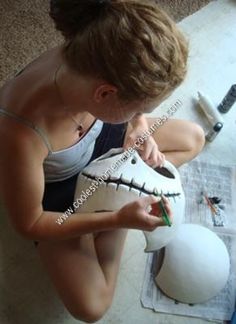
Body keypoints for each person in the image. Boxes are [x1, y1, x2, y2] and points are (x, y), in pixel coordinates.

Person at [0, 0, 205, 322]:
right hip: (62, 189)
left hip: (105, 138)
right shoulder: (20, 133)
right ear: (105, 94)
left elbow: (130, 118)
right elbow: (29, 224)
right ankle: (112, 204)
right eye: (137, 108)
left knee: (193, 138)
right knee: (92, 306)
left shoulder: (93, 49)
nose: (141, 115)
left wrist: (138, 127)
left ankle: (115, 194)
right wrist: (116, 219)